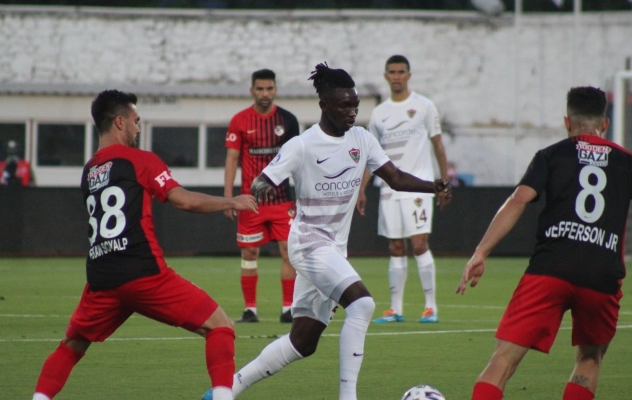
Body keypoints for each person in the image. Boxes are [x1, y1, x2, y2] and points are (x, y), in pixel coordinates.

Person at [203, 63, 451, 400]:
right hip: (308, 245)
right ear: (324, 105)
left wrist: (432, 186)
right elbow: (264, 179)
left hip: (333, 250)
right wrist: (257, 190)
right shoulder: (302, 145)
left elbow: (394, 178)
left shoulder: (362, 139)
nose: (352, 112)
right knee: (362, 305)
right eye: (344, 106)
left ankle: (227, 390)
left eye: (355, 105)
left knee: (302, 342)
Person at [31, 90, 258, 400]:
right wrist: (231, 201)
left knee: (71, 347)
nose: (138, 128)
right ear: (120, 122)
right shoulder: (139, 160)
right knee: (220, 326)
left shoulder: (89, 171)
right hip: (142, 272)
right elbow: (184, 201)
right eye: (136, 121)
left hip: (102, 278)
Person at [457, 86, 628, 400]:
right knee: (590, 358)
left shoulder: (551, 155)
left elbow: (518, 200)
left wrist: (481, 252)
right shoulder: (626, 161)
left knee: (503, 360)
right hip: (601, 273)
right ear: (605, 124)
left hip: (550, 269)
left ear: (567, 122)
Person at [356, 54, 449, 324]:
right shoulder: (379, 113)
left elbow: (438, 145)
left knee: (419, 244)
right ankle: (395, 310)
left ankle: (430, 307)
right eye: (392, 72)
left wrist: (444, 183)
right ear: (386, 76)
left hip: (419, 186)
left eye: (401, 72)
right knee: (396, 247)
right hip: (389, 190)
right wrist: (362, 189)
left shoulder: (424, 106)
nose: (396, 76)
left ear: (409, 75)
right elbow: (372, 157)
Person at [224, 68, 300, 323]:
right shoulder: (240, 120)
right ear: (252, 90)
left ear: (275, 90)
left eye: (269, 88)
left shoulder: (287, 120)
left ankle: (289, 309)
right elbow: (232, 159)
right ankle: (250, 310)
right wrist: (228, 198)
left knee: (288, 252)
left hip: (282, 200)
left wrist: (301, 196)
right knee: (249, 254)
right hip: (251, 202)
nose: (265, 93)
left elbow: (297, 160)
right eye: (260, 89)